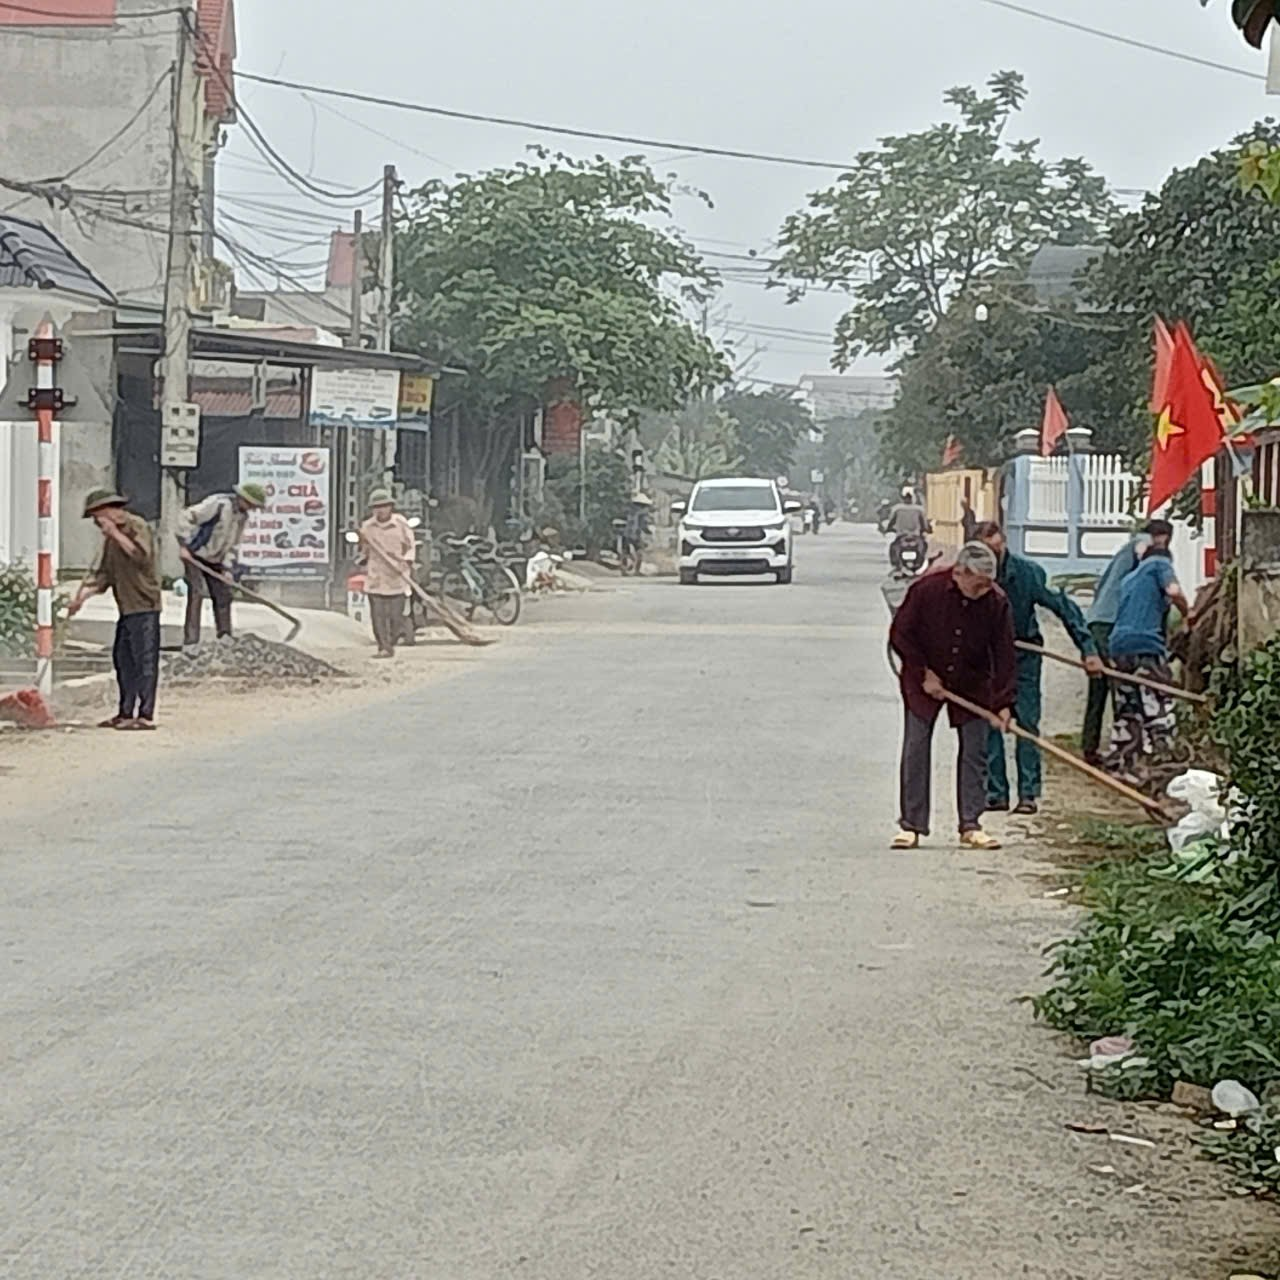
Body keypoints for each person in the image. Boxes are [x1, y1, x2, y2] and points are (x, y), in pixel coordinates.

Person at [888, 541, 1017, 851]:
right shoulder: (927, 590)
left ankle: (971, 824)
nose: (984, 590)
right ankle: (911, 825)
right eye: (979, 584)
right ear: (960, 573)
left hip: (971, 680)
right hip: (924, 676)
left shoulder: (996, 602)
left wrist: (1003, 703)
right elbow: (900, 634)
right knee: (916, 747)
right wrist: (923, 672)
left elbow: (1004, 654)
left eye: (988, 584)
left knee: (975, 750)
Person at [973, 521, 1104, 815]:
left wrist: (1088, 650)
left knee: (1027, 723)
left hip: (1023, 656)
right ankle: (995, 793)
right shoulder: (970, 571)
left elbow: (1065, 608)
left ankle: (1028, 794)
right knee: (989, 721)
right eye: (986, 553)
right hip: (987, 658)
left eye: (996, 551)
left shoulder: (1028, 573)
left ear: (1004, 545)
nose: (991, 560)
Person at [67, 490, 163, 731]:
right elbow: (105, 576)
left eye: (97, 518)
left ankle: (146, 715)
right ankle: (125, 711)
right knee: (123, 660)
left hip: (144, 605)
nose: (97, 524)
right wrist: (82, 598)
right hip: (126, 607)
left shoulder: (136, 526)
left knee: (144, 663)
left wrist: (116, 534)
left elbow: (141, 557)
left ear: (108, 511)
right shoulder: (109, 541)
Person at [1082, 520, 1172, 764]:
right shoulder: (1142, 545)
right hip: (1111, 622)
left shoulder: (1124, 554)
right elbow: (1145, 559)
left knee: (1099, 687)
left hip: (1097, 620)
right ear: (1161, 537)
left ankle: (1091, 747)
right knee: (1120, 686)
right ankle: (1125, 748)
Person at [1102, 544, 1194, 780]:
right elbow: (1173, 591)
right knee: (1157, 703)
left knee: (1128, 708)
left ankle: (1123, 764)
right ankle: (1164, 763)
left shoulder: (1128, 579)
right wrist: (1188, 613)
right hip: (1146, 646)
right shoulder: (1159, 564)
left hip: (1118, 646)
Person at [177, 483, 267, 647]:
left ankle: (225, 636)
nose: (252, 509)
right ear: (243, 499)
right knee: (197, 592)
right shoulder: (218, 504)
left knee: (223, 595)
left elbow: (233, 545)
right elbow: (187, 517)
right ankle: (191, 641)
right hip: (195, 555)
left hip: (216, 560)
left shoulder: (242, 518)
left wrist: (227, 568)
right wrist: (183, 545)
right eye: (251, 504)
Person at [358, 489, 415, 658]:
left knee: (396, 617)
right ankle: (383, 647)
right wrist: (362, 556)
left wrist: (406, 561)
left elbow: (410, 547)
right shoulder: (367, 527)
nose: (380, 510)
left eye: (384, 506)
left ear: (390, 507)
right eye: (377, 507)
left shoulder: (401, 524)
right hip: (376, 577)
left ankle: (391, 641)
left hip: (397, 576)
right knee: (378, 616)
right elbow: (364, 551)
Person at [886, 488, 931, 572]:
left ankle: (896, 566)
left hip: (901, 536)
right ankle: (918, 564)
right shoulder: (919, 509)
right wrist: (927, 529)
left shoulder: (897, 509)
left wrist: (888, 529)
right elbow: (924, 524)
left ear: (903, 498)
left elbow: (891, 522)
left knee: (893, 547)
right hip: (915, 536)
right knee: (924, 546)